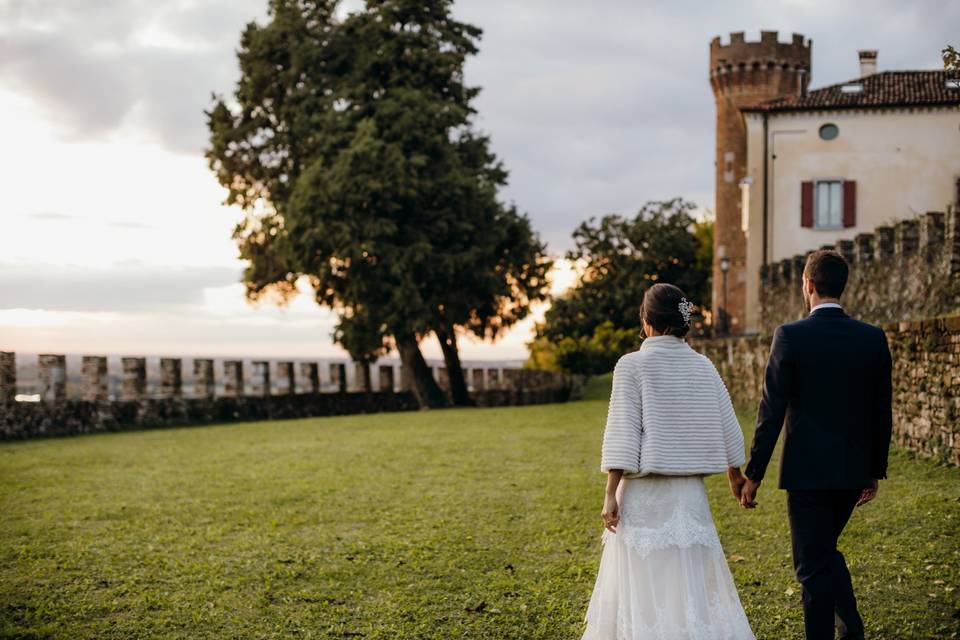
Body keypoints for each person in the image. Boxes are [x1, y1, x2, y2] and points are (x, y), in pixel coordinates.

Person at [581, 282, 755, 640]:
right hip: (689, 497)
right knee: (687, 586)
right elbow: (726, 424)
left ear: (646, 321)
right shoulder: (703, 366)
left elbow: (624, 432)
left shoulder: (632, 365)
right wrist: (734, 474)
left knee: (644, 587)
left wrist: (610, 492)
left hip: (644, 499)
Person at [740, 249, 893, 640]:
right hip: (852, 470)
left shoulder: (790, 335)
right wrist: (874, 470)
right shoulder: (872, 338)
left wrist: (753, 474)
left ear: (807, 284)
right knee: (823, 552)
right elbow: (881, 410)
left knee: (810, 565)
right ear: (842, 286)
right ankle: (852, 629)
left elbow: (771, 410)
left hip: (807, 474)